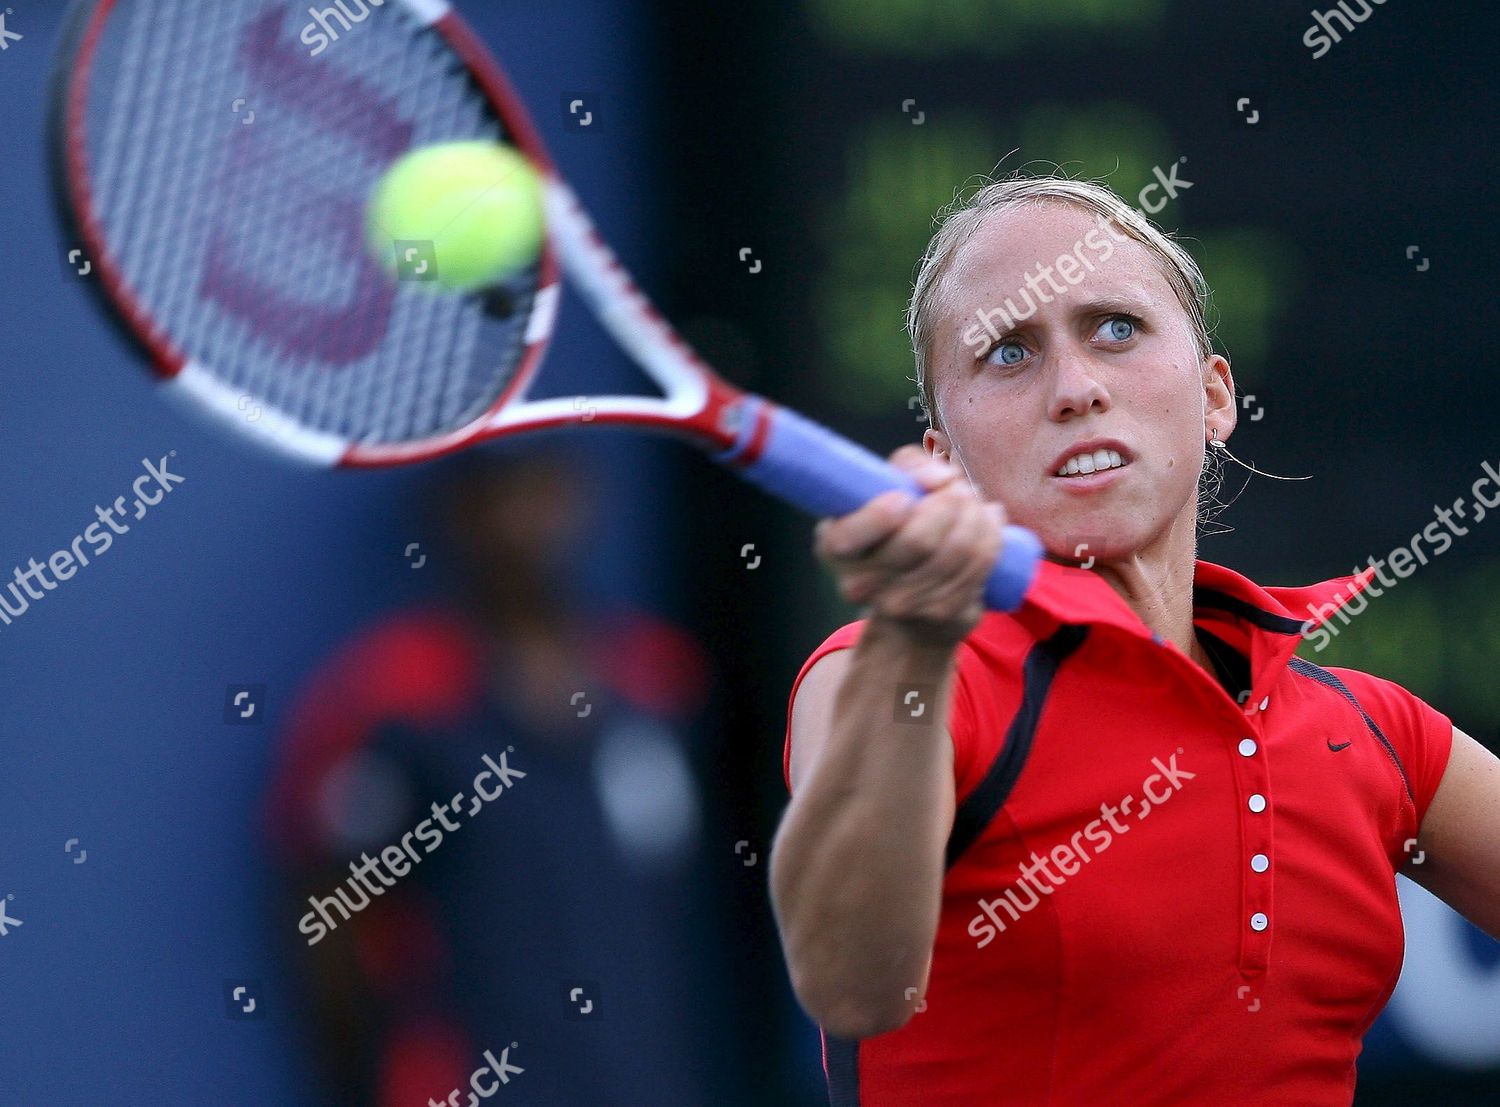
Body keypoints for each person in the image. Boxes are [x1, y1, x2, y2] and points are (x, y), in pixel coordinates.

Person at [769, 175, 1500, 1106]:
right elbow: (850, 984)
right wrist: (911, 646)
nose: (1076, 388)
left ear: (1215, 397)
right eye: (1007, 351)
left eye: (1116, 328)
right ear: (946, 457)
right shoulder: (889, 675)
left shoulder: (1378, 733)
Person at [267, 450, 722, 1106]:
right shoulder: (391, 696)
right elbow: (326, 919)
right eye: (488, 499)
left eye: (537, 491)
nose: (516, 525)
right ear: (446, 518)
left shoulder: (659, 676)